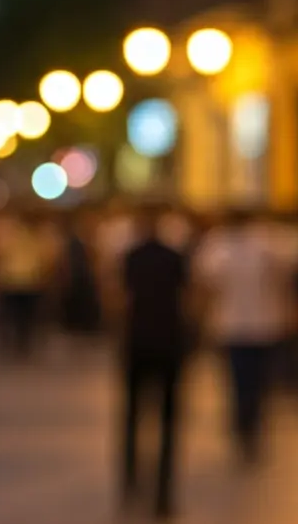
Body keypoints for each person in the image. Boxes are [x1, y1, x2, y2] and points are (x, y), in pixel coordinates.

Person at [196, 209, 292, 462]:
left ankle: (250, 424)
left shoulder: (264, 243)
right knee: (245, 381)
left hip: (255, 326)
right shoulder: (225, 244)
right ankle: (245, 423)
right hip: (239, 326)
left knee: (254, 381)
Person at [120, 206, 191, 520]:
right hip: (168, 342)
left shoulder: (131, 257)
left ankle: (130, 479)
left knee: (133, 414)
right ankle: (163, 490)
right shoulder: (174, 257)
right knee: (167, 420)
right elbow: (188, 297)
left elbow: (119, 297)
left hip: (137, 341)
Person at [0, 215, 47, 359]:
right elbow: (42, 260)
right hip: (27, 281)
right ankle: (22, 342)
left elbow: (0, 257)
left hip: (12, 281)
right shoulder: (34, 238)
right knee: (24, 316)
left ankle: (15, 342)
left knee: (13, 315)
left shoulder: (9, 236)